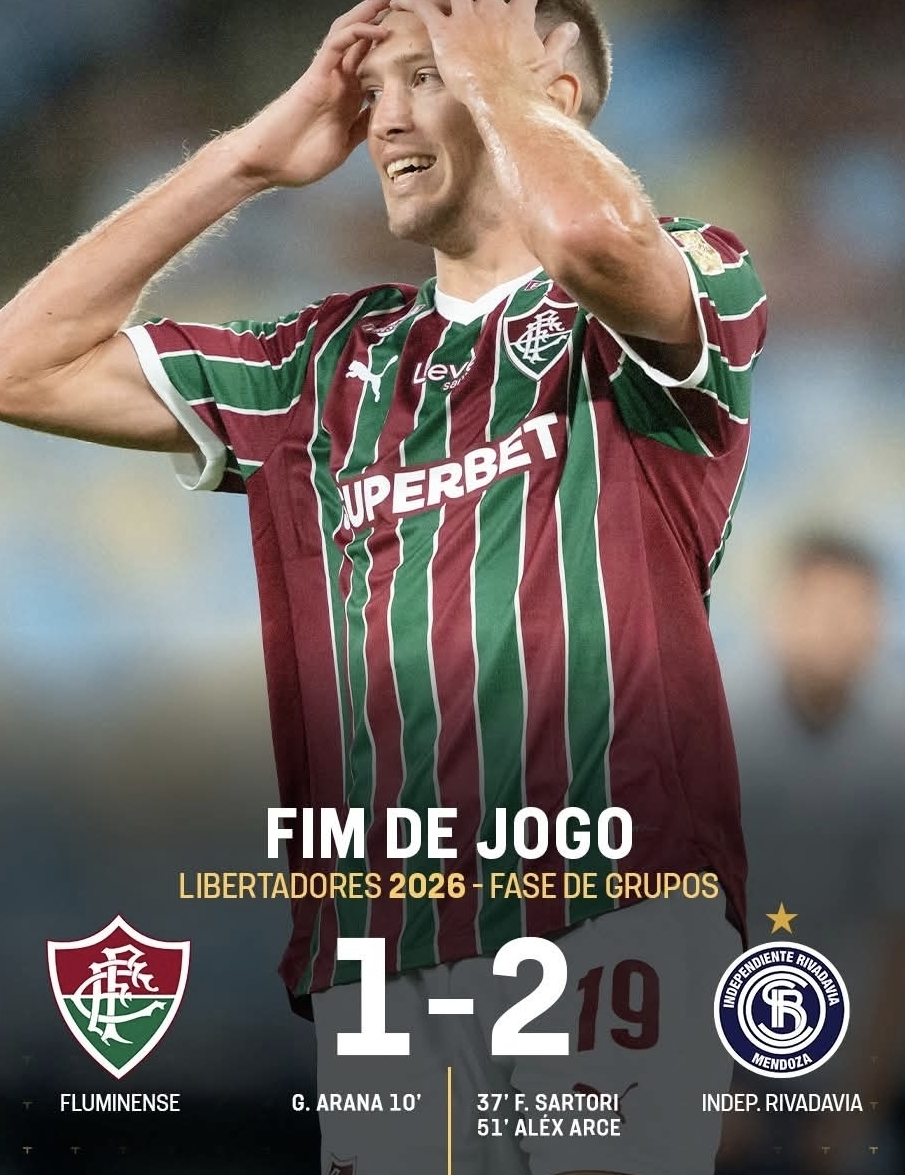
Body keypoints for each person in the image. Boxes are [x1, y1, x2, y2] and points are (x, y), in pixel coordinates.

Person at [0, 1, 767, 1172]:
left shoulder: (689, 273)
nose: (387, 119)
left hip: (612, 907)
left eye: (427, 75)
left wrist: (498, 80)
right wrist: (245, 161)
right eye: (374, 93)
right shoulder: (322, 363)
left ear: (550, 89)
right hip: (380, 947)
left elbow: (590, 239)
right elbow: (22, 363)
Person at [719, 532, 905, 1175]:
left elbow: (896, 937)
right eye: (822, 608)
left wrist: (861, 1105)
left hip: (849, 1064)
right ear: (781, 614)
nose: (838, 629)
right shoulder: (713, 724)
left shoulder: (894, 744)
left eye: (857, 609)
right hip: (716, 1057)